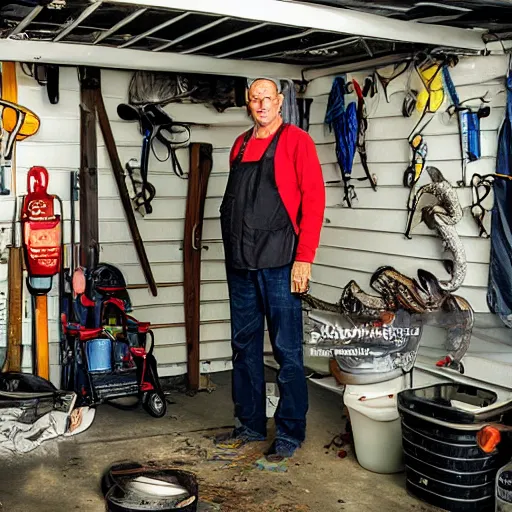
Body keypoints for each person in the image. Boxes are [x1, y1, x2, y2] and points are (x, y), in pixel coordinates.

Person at [217, 77, 326, 461]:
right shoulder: (240, 144)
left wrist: (305, 257)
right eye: (254, 99)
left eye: (267, 98)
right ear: (248, 104)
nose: (261, 105)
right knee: (243, 347)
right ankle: (248, 424)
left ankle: (289, 432)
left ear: (280, 102)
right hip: (241, 263)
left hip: (282, 262)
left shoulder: (298, 142)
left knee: (287, 351)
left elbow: (313, 201)